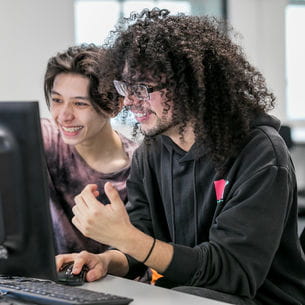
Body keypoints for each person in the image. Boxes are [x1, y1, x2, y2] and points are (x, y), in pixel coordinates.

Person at [56, 9, 305, 305]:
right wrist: (108, 261)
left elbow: (232, 272)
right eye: (125, 88)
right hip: (184, 295)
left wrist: (127, 238)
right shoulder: (152, 150)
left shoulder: (261, 153)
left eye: (143, 88)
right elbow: (143, 237)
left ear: (191, 86)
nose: (131, 102)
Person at [42, 44, 138, 254]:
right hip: (45, 284)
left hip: (115, 283)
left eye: (80, 104)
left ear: (114, 105)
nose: (64, 116)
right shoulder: (43, 139)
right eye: (57, 100)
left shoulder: (139, 168)